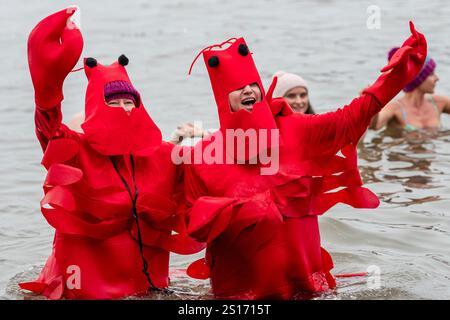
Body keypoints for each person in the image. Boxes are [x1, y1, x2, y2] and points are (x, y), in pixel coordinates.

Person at [183, 22, 426, 299]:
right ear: (223, 99)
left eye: (253, 84)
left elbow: (349, 118)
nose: (249, 90)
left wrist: (395, 78)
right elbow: (193, 223)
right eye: (240, 88)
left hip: (305, 288)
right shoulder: (203, 156)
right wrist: (239, 211)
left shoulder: (299, 130)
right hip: (238, 293)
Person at [19, 8, 202, 299]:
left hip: (147, 286)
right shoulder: (76, 152)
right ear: (96, 109)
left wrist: (207, 140)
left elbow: (211, 177)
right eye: (114, 103)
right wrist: (48, 89)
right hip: (86, 287)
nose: (126, 109)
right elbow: (48, 129)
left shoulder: (164, 156)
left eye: (131, 102)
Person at [370, 49, 450, 131]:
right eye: (431, 74)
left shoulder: (439, 102)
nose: (437, 78)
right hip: (403, 143)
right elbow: (374, 126)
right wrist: (373, 102)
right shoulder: (395, 108)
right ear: (416, 79)